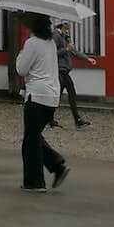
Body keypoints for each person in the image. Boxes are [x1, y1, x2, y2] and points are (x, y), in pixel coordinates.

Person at [15, 12, 69, 192]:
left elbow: (21, 70)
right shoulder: (51, 44)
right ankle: (57, 164)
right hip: (52, 97)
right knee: (34, 135)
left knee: (30, 140)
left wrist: (21, 54)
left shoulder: (32, 43)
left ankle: (35, 182)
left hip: (36, 96)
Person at [54, 21, 97, 128]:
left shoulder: (65, 37)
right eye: (67, 23)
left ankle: (49, 118)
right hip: (60, 69)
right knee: (68, 94)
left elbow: (74, 52)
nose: (70, 25)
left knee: (59, 96)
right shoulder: (56, 36)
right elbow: (52, 52)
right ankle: (76, 119)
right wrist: (66, 49)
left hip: (65, 69)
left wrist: (87, 58)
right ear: (63, 25)